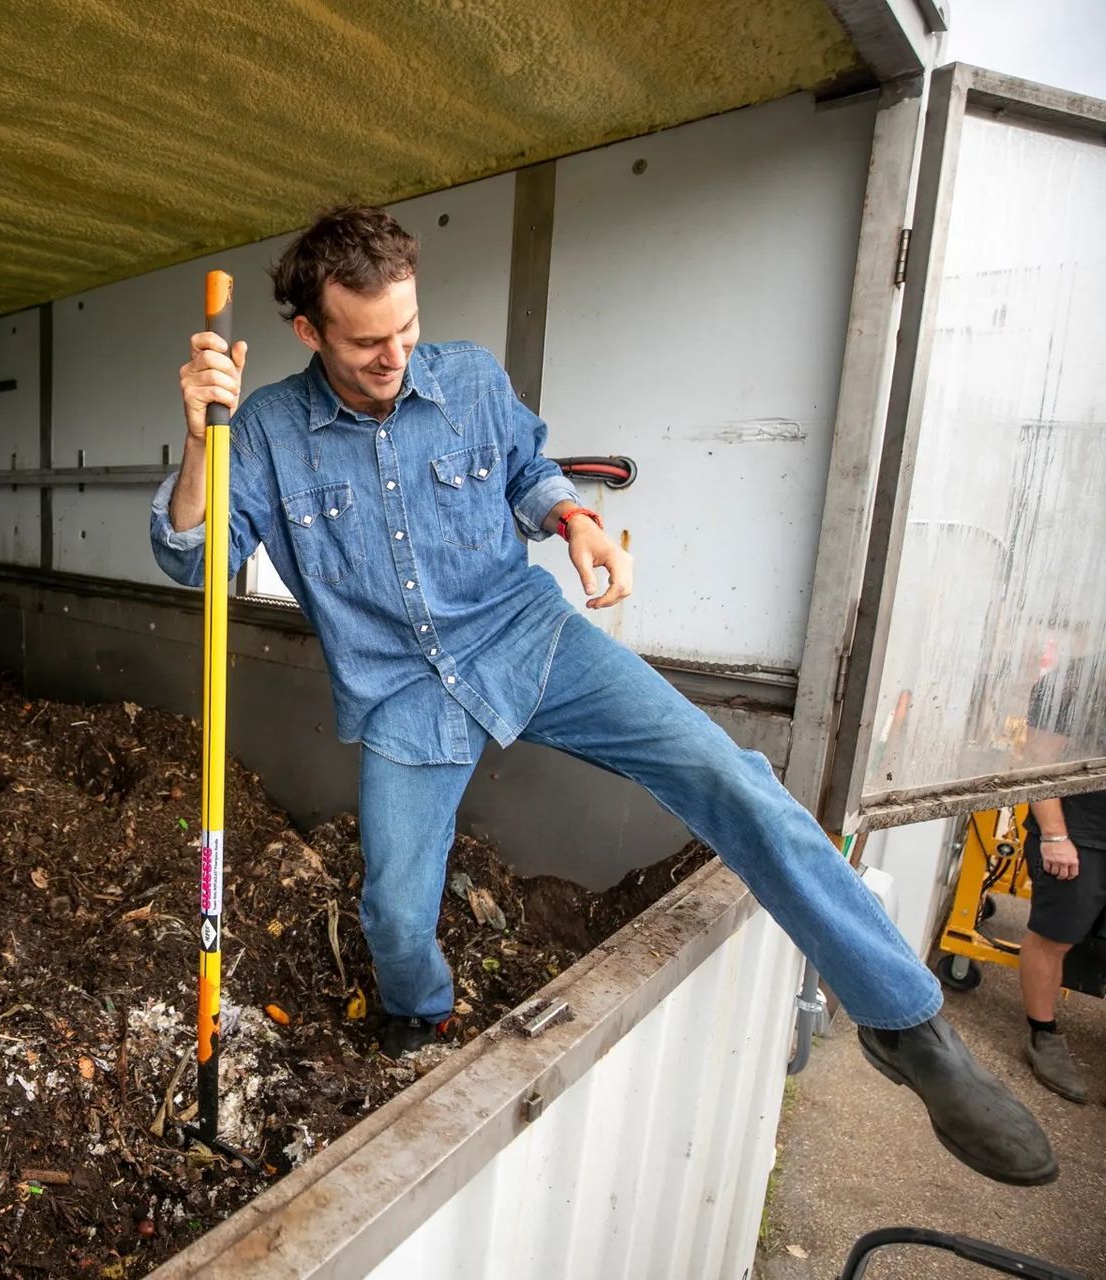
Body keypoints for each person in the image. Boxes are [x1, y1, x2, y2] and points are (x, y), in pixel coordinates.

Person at [147, 206, 1056, 1187]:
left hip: (527, 640)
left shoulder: (468, 378)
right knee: (396, 913)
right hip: (404, 689)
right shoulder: (267, 430)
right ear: (308, 331)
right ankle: (418, 1017)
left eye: (407, 328)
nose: (395, 356)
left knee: (729, 775)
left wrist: (574, 521)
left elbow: (528, 470)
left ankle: (907, 1023)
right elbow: (193, 558)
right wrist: (199, 441)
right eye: (368, 342)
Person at [1017, 652, 1105, 1104]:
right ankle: (1043, 1035)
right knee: (1055, 938)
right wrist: (1054, 835)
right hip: (1078, 835)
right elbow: (1038, 761)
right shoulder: (1075, 681)